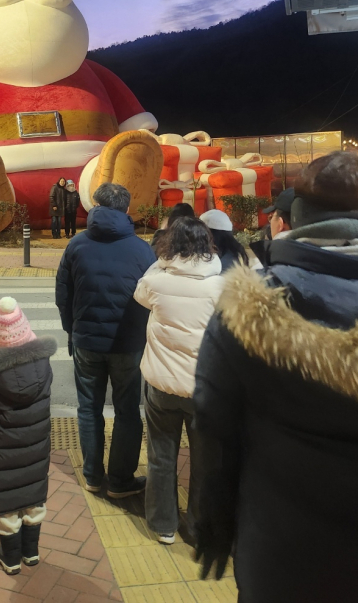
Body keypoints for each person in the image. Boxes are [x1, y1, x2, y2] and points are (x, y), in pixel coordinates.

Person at [193, 152, 358, 603]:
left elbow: (213, 427)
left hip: (280, 559)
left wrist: (214, 521)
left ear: (295, 217)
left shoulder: (249, 310)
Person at [56, 182, 155, 497]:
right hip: (128, 344)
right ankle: (121, 481)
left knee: (89, 408)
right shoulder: (142, 249)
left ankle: (92, 476)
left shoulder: (76, 245)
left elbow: (63, 295)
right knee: (128, 410)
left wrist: (72, 330)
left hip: (87, 341)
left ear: (95, 207)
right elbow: (152, 298)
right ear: (126, 210)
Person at [135, 217, 223, 545]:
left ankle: (163, 525)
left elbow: (140, 293)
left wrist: (162, 261)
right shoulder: (220, 286)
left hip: (161, 385)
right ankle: (198, 529)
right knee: (203, 461)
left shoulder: (157, 282)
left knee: (161, 456)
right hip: (203, 388)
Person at [0, 298, 57, 576]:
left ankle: (10, 558)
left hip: (1, 448)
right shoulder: (42, 363)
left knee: (5, 501)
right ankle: (31, 552)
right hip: (36, 445)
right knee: (31, 493)